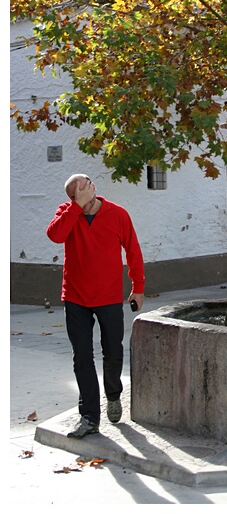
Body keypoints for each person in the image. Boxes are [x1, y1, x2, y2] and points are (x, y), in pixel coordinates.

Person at [46, 173, 145, 439]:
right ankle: (89, 417)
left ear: (92, 188)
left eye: (84, 193)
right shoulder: (67, 213)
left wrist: (138, 287)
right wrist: (76, 207)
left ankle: (113, 394)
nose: (81, 200)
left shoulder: (118, 214)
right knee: (82, 357)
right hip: (75, 297)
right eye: (75, 197)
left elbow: (133, 250)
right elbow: (55, 236)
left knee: (113, 352)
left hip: (109, 297)